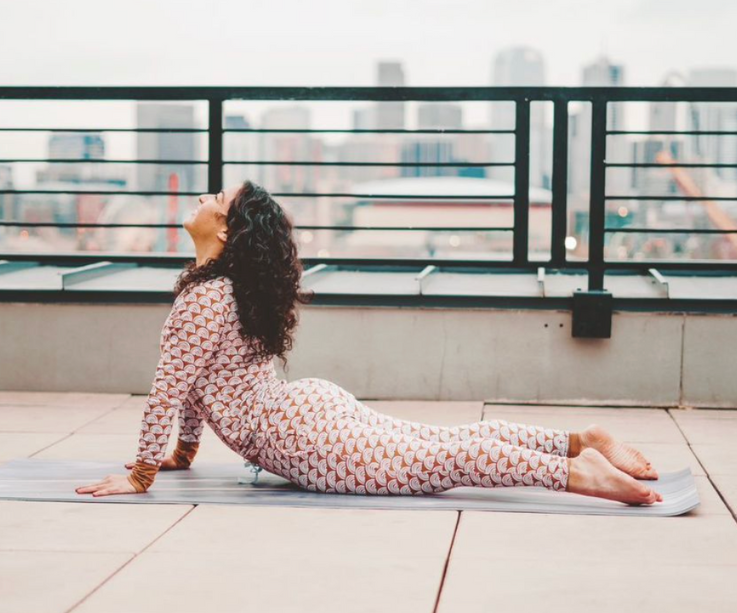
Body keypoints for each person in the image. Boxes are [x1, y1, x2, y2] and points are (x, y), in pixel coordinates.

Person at [76, 181, 662, 505]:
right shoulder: (225, 290)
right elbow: (195, 386)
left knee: (440, 461)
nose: (205, 195)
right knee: (443, 441)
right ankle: (576, 441)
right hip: (305, 411)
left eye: (218, 198)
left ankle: (582, 474)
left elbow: (169, 389)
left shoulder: (201, 297)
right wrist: (183, 453)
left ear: (225, 232)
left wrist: (143, 473)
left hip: (300, 437)